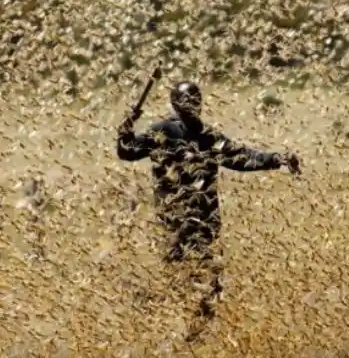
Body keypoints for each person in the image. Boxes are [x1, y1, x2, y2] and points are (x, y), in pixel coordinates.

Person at [116, 79, 301, 329]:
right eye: (186, 101)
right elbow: (127, 151)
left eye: (195, 100)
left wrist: (276, 159)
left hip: (206, 223)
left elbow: (241, 156)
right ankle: (164, 325)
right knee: (182, 279)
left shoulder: (208, 136)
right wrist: (125, 131)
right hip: (176, 222)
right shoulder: (162, 132)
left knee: (209, 284)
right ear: (175, 104)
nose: (192, 105)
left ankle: (192, 335)